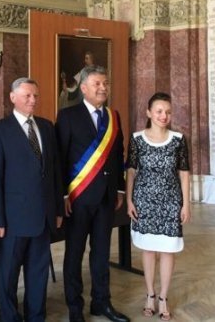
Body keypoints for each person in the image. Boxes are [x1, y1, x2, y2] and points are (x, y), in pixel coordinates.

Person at [55, 66, 129, 322]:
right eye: (97, 83)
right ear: (84, 88)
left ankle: (102, 303)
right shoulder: (68, 116)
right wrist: (63, 195)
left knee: (101, 254)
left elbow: (118, 155)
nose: (103, 88)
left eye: (105, 83)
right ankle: (75, 308)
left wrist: (119, 188)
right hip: (78, 199)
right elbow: (60, 158)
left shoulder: (113, 116)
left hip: (106, 198)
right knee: (74, 254)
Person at [0, 77, 64, 322]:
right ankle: (10, 318)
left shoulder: (47, 127)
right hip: (12, 221)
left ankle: (36, 317)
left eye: (35, 96)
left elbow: (54, 171)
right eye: (27, 96)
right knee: (8, 277)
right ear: (13, 97)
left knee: (38, 275)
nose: (32, 100)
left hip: (43, 217)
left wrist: (58, 209)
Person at [125, 92, 190, 321]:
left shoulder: (178, 139)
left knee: (168, 249)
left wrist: (186, 204)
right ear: (149, 113)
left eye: (168, 112)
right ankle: (150, 295)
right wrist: (129, 200)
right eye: (159, 111)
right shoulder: (137, 139)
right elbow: (131, 171)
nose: (164, 116)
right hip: (143, 201)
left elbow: (184, 173)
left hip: (171, 201)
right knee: (149, 248)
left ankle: (163, 297)